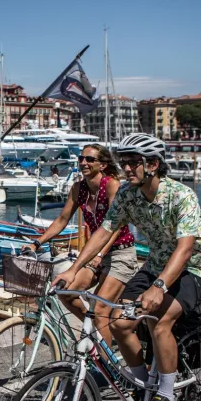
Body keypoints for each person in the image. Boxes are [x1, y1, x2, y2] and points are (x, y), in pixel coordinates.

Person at [53, 133, 201, 401]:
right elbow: (104, 231)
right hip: (156, 264)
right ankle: (143, 387)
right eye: (124, 162)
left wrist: (159, 286)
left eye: (133, 162)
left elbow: (185, 249)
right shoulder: (128, 195)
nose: (127, 168)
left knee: (159, 320)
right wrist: (73, 269)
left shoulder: (181, 196)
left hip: (195, 268)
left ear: (153, 164)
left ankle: (166, 397)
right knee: (119, 322)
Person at [28, 144, 138, 351]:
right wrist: (36, 243)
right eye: (81, 159)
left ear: (102, 165)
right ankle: (96, 331)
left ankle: (104, 362)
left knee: (101, 309)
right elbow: (62, 220)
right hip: (94, 253)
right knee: (66, 292)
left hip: (119, 253)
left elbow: (116, 225)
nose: (83, 163)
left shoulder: (112, 185)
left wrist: (100, 253)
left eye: (89, 159)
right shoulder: (79, 188)